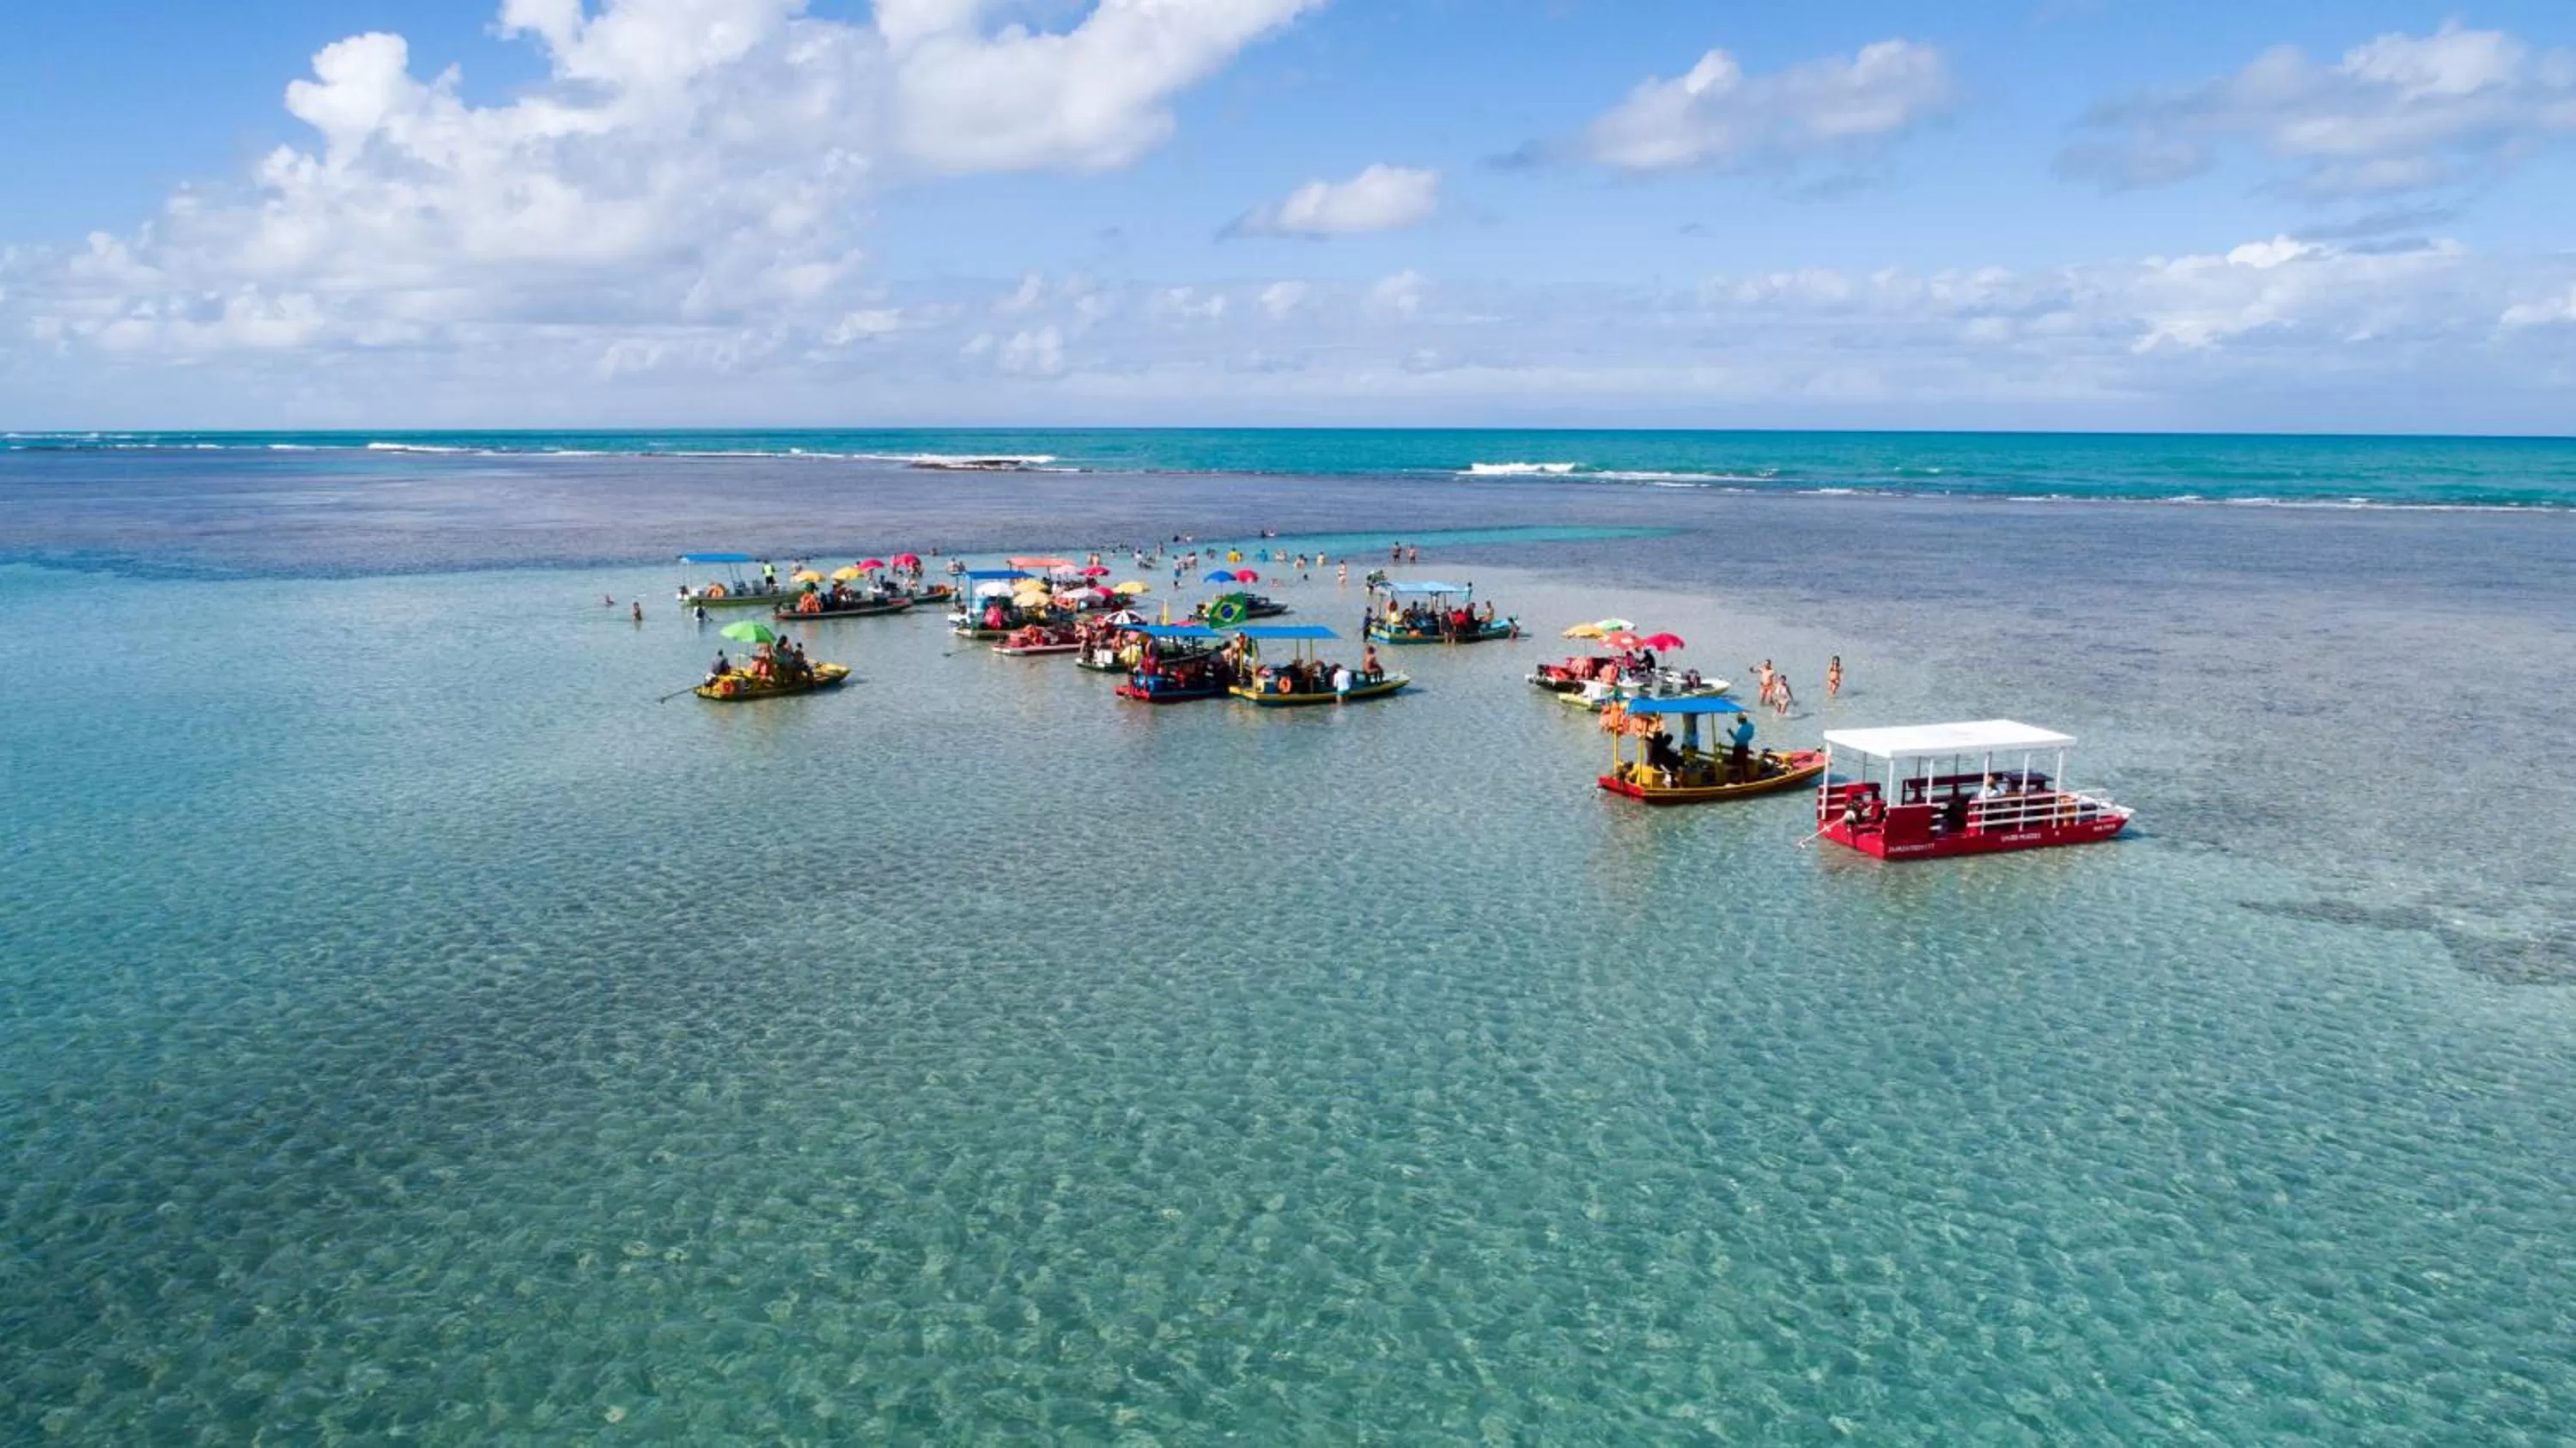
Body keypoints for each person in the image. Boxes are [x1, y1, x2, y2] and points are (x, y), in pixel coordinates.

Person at [1728, 711, 1756, 782]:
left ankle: (1738, 779)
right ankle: (1746, 778)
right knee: (1744, 763)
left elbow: (1737, 739)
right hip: (1745, 746)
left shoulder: (1741, 728)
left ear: (1741, 720)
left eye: (1738, 719)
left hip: (1738, 747)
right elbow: (1750, 737)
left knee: (1736, 763)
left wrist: (1731, 733)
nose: (1737, 720)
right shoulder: (1751, 726)